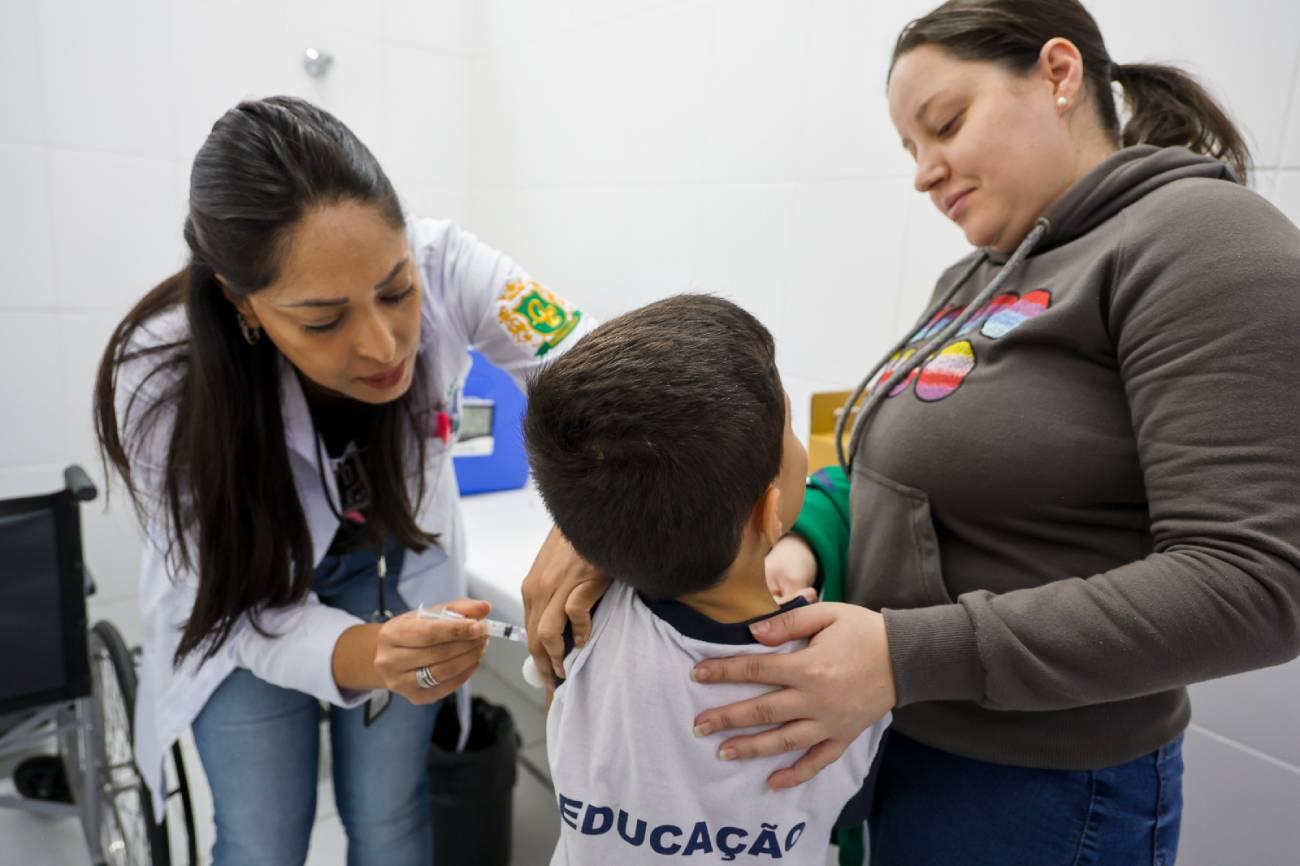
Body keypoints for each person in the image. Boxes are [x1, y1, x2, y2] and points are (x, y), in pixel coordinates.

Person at [522, 2, 1300, 864]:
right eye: (910, 149)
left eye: (945, 124)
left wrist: (905, 654)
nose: (925, 174)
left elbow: (1258, 582)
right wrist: (797, 545)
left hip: (1040, 787)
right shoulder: (974, 277)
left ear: (1059, 73)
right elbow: (887, 476)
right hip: (901, 739)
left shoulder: (1200, 240)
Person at [94, 95, 594, 866]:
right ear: (240, 300)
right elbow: (239, 611)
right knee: (263, 841)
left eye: (397, 290)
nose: (385, 344)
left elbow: (590, 367)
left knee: (392, 821)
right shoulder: (162, 381)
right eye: (323, 321)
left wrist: (583, 529)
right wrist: (372, 655)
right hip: (242, 609)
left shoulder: (454, 263)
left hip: (392, 571)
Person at [523, 294, 889, 866]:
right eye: (790, 433)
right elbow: (849, 814)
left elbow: (564, 722)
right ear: (769, 513)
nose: (797, 447)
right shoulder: (842, 674)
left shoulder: (580, 621)